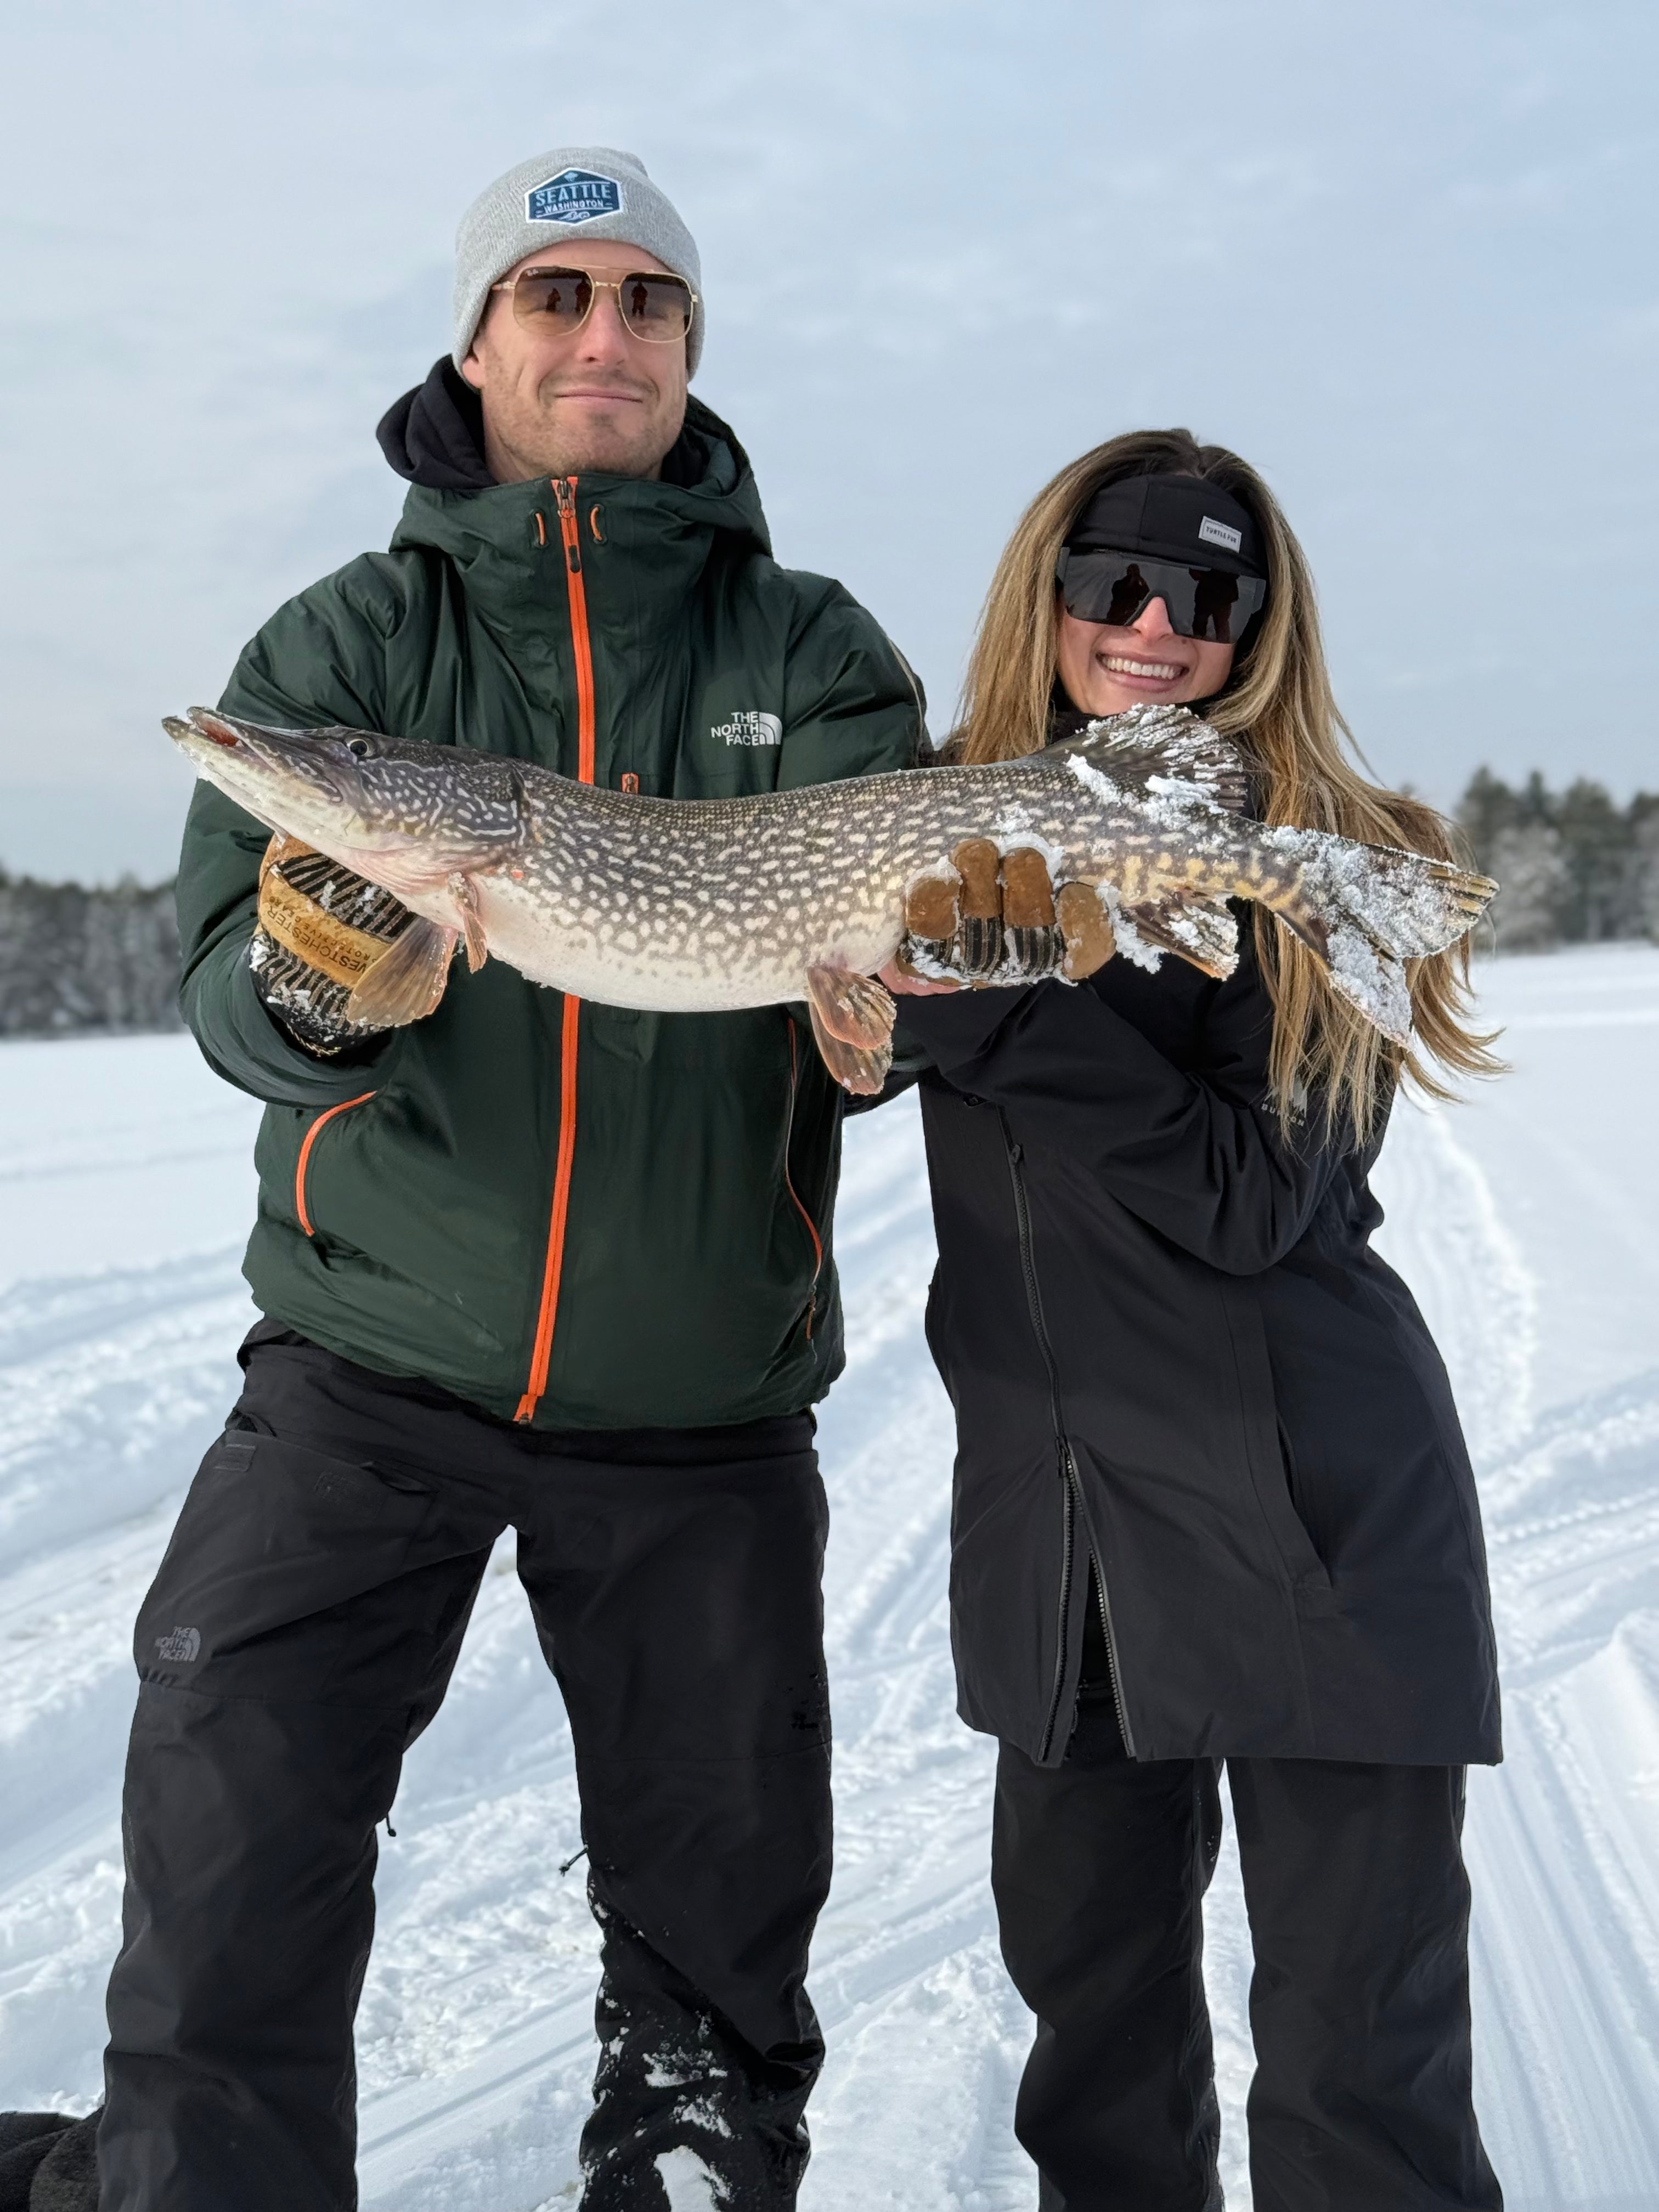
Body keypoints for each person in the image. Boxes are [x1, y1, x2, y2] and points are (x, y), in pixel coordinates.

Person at [17, 146, 933, 2212]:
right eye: (556, 294)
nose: (601, 333)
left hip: (699, 1407)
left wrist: (927, 972)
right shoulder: (344, 644)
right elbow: (228, 1001)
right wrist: (318, 982)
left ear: (691, 351)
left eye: (646, 301)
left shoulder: (813, 643)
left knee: (715, 1960)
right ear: (477, 338)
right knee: (230, 1856)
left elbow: (870, 1033)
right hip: (367, 1371)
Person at [885, 431, 1507, 2210]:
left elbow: (1251, 1196)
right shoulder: (945, 825)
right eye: (1113, 584)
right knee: (1097, 2076)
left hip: (1317, 1516)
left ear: (1261, 623)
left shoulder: (1328, 856)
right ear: (1047, 598)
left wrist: (1001, 1012)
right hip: (1065, 1544)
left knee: (1355, 2092)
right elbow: (817, 1050)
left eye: (1206, 594)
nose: (1155, 626)